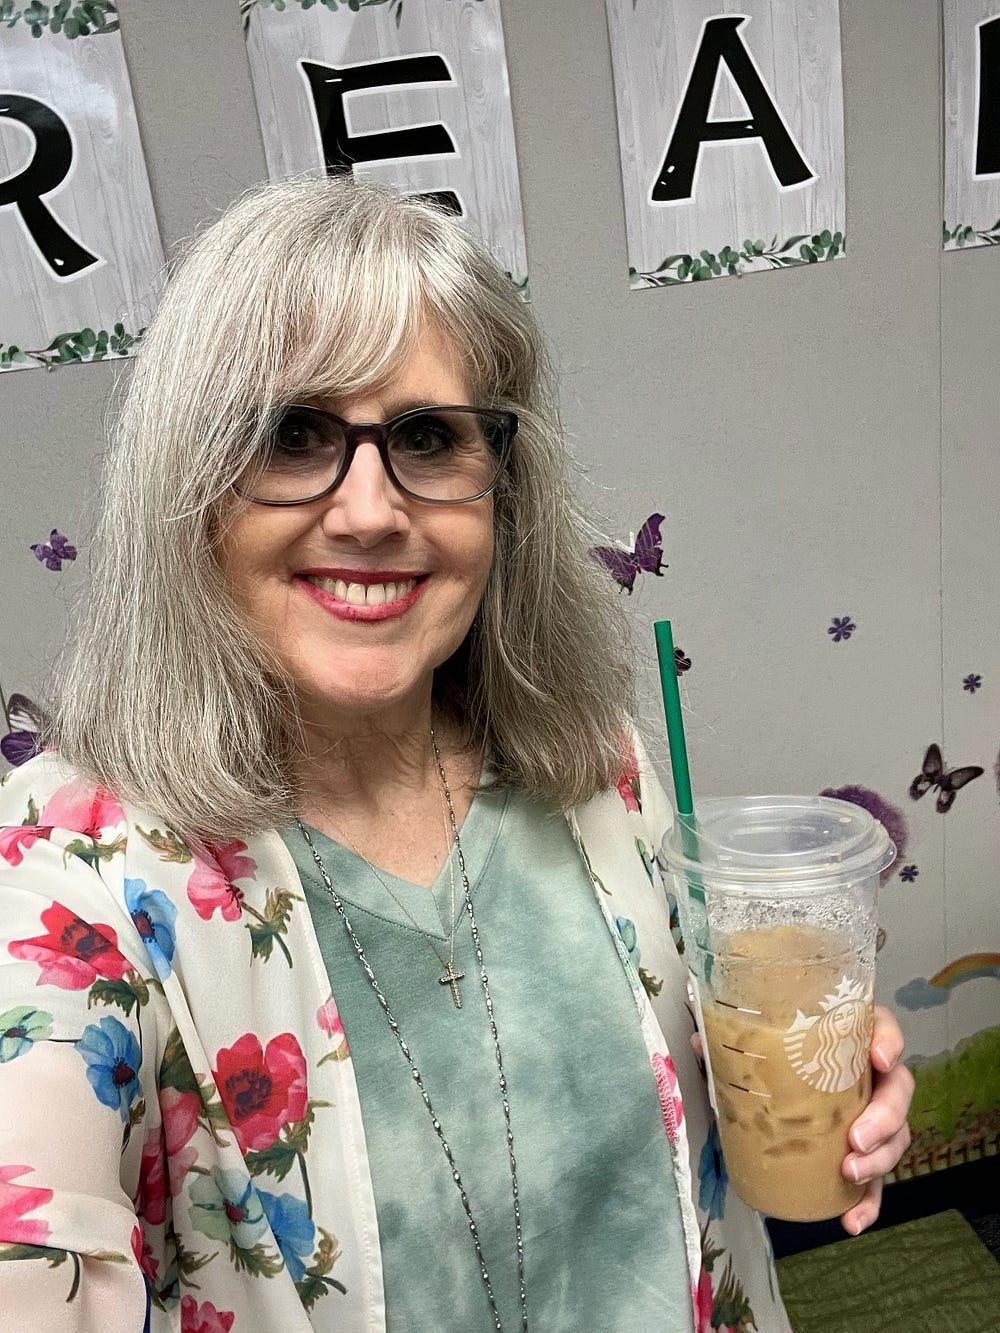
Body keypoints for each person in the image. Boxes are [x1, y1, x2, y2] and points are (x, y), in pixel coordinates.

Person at [0, 178, 912, 1332]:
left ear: (504, 492)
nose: (372, 510)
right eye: (293, 435)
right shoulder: (68, 876)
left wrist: (819, 1089)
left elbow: (682, 1111)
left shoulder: (595, 765)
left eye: (429, 437)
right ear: (190, 485)